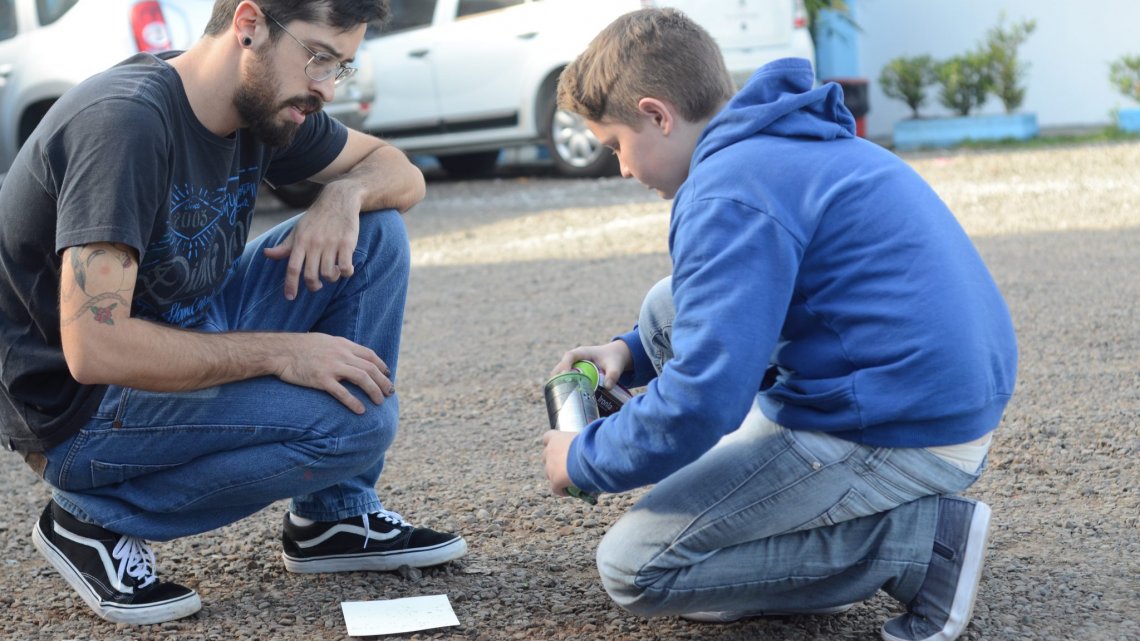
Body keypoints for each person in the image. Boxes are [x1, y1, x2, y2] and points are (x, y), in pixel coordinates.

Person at [541, 9, 1017, 641]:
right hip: (929, 395)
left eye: (615, 147)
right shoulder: (779, 141)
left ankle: (917, 546)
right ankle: (819, 518)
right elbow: (707, 313)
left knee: (635, 567)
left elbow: (702, 404)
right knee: (667, 301)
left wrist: (584, 459)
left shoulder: (724, 193)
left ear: (657, 115)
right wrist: (629, 350)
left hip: (898, 430)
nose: (623, 169)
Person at [0, 0, 467, 626]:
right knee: (357, 423)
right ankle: (89, 522)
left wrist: (344, 195)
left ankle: (334, 517)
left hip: (187, 326)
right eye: (319, 57)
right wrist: (281, 352)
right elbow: (97, 350)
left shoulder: (261, 105)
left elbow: (401, 173)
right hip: (84, 410)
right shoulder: (126, 124)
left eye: (342, 66)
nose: (326, 87)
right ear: (248, 25)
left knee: (376, 229)